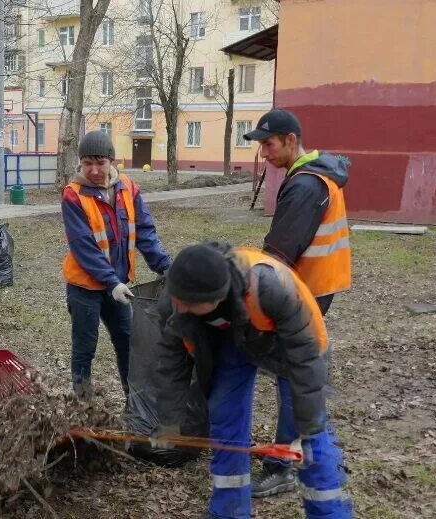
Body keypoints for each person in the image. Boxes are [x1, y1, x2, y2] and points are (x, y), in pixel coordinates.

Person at [149, 243, 353, 519]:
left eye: (188, 303)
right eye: (178, 299)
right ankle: (229, 511)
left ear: (216, 297)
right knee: (223, 415)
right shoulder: (176, 300)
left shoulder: (270, 286)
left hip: (293, 347)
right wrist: (170, 422)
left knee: (308, 434)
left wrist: (307, 425)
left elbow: (306, 358)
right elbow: (169, 364)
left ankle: (329, 512)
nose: (180, 307)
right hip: (234, 343)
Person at [245, 108, 352, 497]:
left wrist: (250, 292)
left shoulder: (306, 186)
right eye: (260, 145)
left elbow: (279, 254)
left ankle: (282, 466)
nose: (263, 153)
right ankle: (309, 450)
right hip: (317, 289)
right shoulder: (318, 175)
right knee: (298, 375)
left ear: (292, 141)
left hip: (303, 295)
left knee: (292, 379)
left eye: (268, 144)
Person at [61, 130, 172, 398]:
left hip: (120, 287)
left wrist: (166, 266)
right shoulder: (73, 195)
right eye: (88, 163)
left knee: (128, 343)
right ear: (81, 164)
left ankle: (133, 401)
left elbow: (145, 232)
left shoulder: (128, 189)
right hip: (85, 287)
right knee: (85, 347)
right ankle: (82, 402)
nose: (95, 170)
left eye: (100, 162)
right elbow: (84, 246)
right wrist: (111, 281)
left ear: (112, 161)